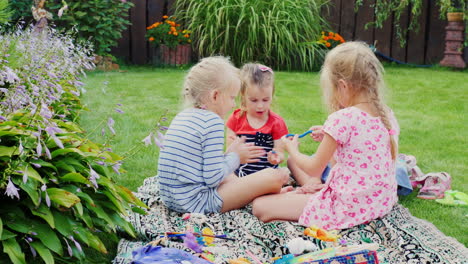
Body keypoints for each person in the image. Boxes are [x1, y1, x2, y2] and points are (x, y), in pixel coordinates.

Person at [252, 42, 400, 230]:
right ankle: (306, 196)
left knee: (259, 206)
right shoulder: (386, 114)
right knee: (297, 184)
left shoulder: (342, 118)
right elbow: (345, 164)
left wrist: (292, 149)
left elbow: (314, 169)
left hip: (346, 208)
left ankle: (304, 202)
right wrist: (331, 140)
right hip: (378, 204)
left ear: (343, 86)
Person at [157, 56, 289, 214]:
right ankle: (263, 194)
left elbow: (207, 168)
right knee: (275, 176)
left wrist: (228, 156)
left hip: (172, 199)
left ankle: (251, 191)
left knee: (234, 177)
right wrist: (236, 157)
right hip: (197, 203)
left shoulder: (183, 115)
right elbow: (213, 178)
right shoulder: (212, 122)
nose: (234, 104)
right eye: (232, 97)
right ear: (215, 96)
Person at [226, 63, 288, 177]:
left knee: (281, 175)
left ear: (272, 95)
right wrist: (235, 147)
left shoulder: (276, 122)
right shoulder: (236, 119)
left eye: (265, 100)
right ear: (243, 95)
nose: (260, 106)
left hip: (266, 176)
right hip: (240, 175)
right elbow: (229, 152)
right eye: (254, 100)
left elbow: (280, 151)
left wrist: (276, 157)